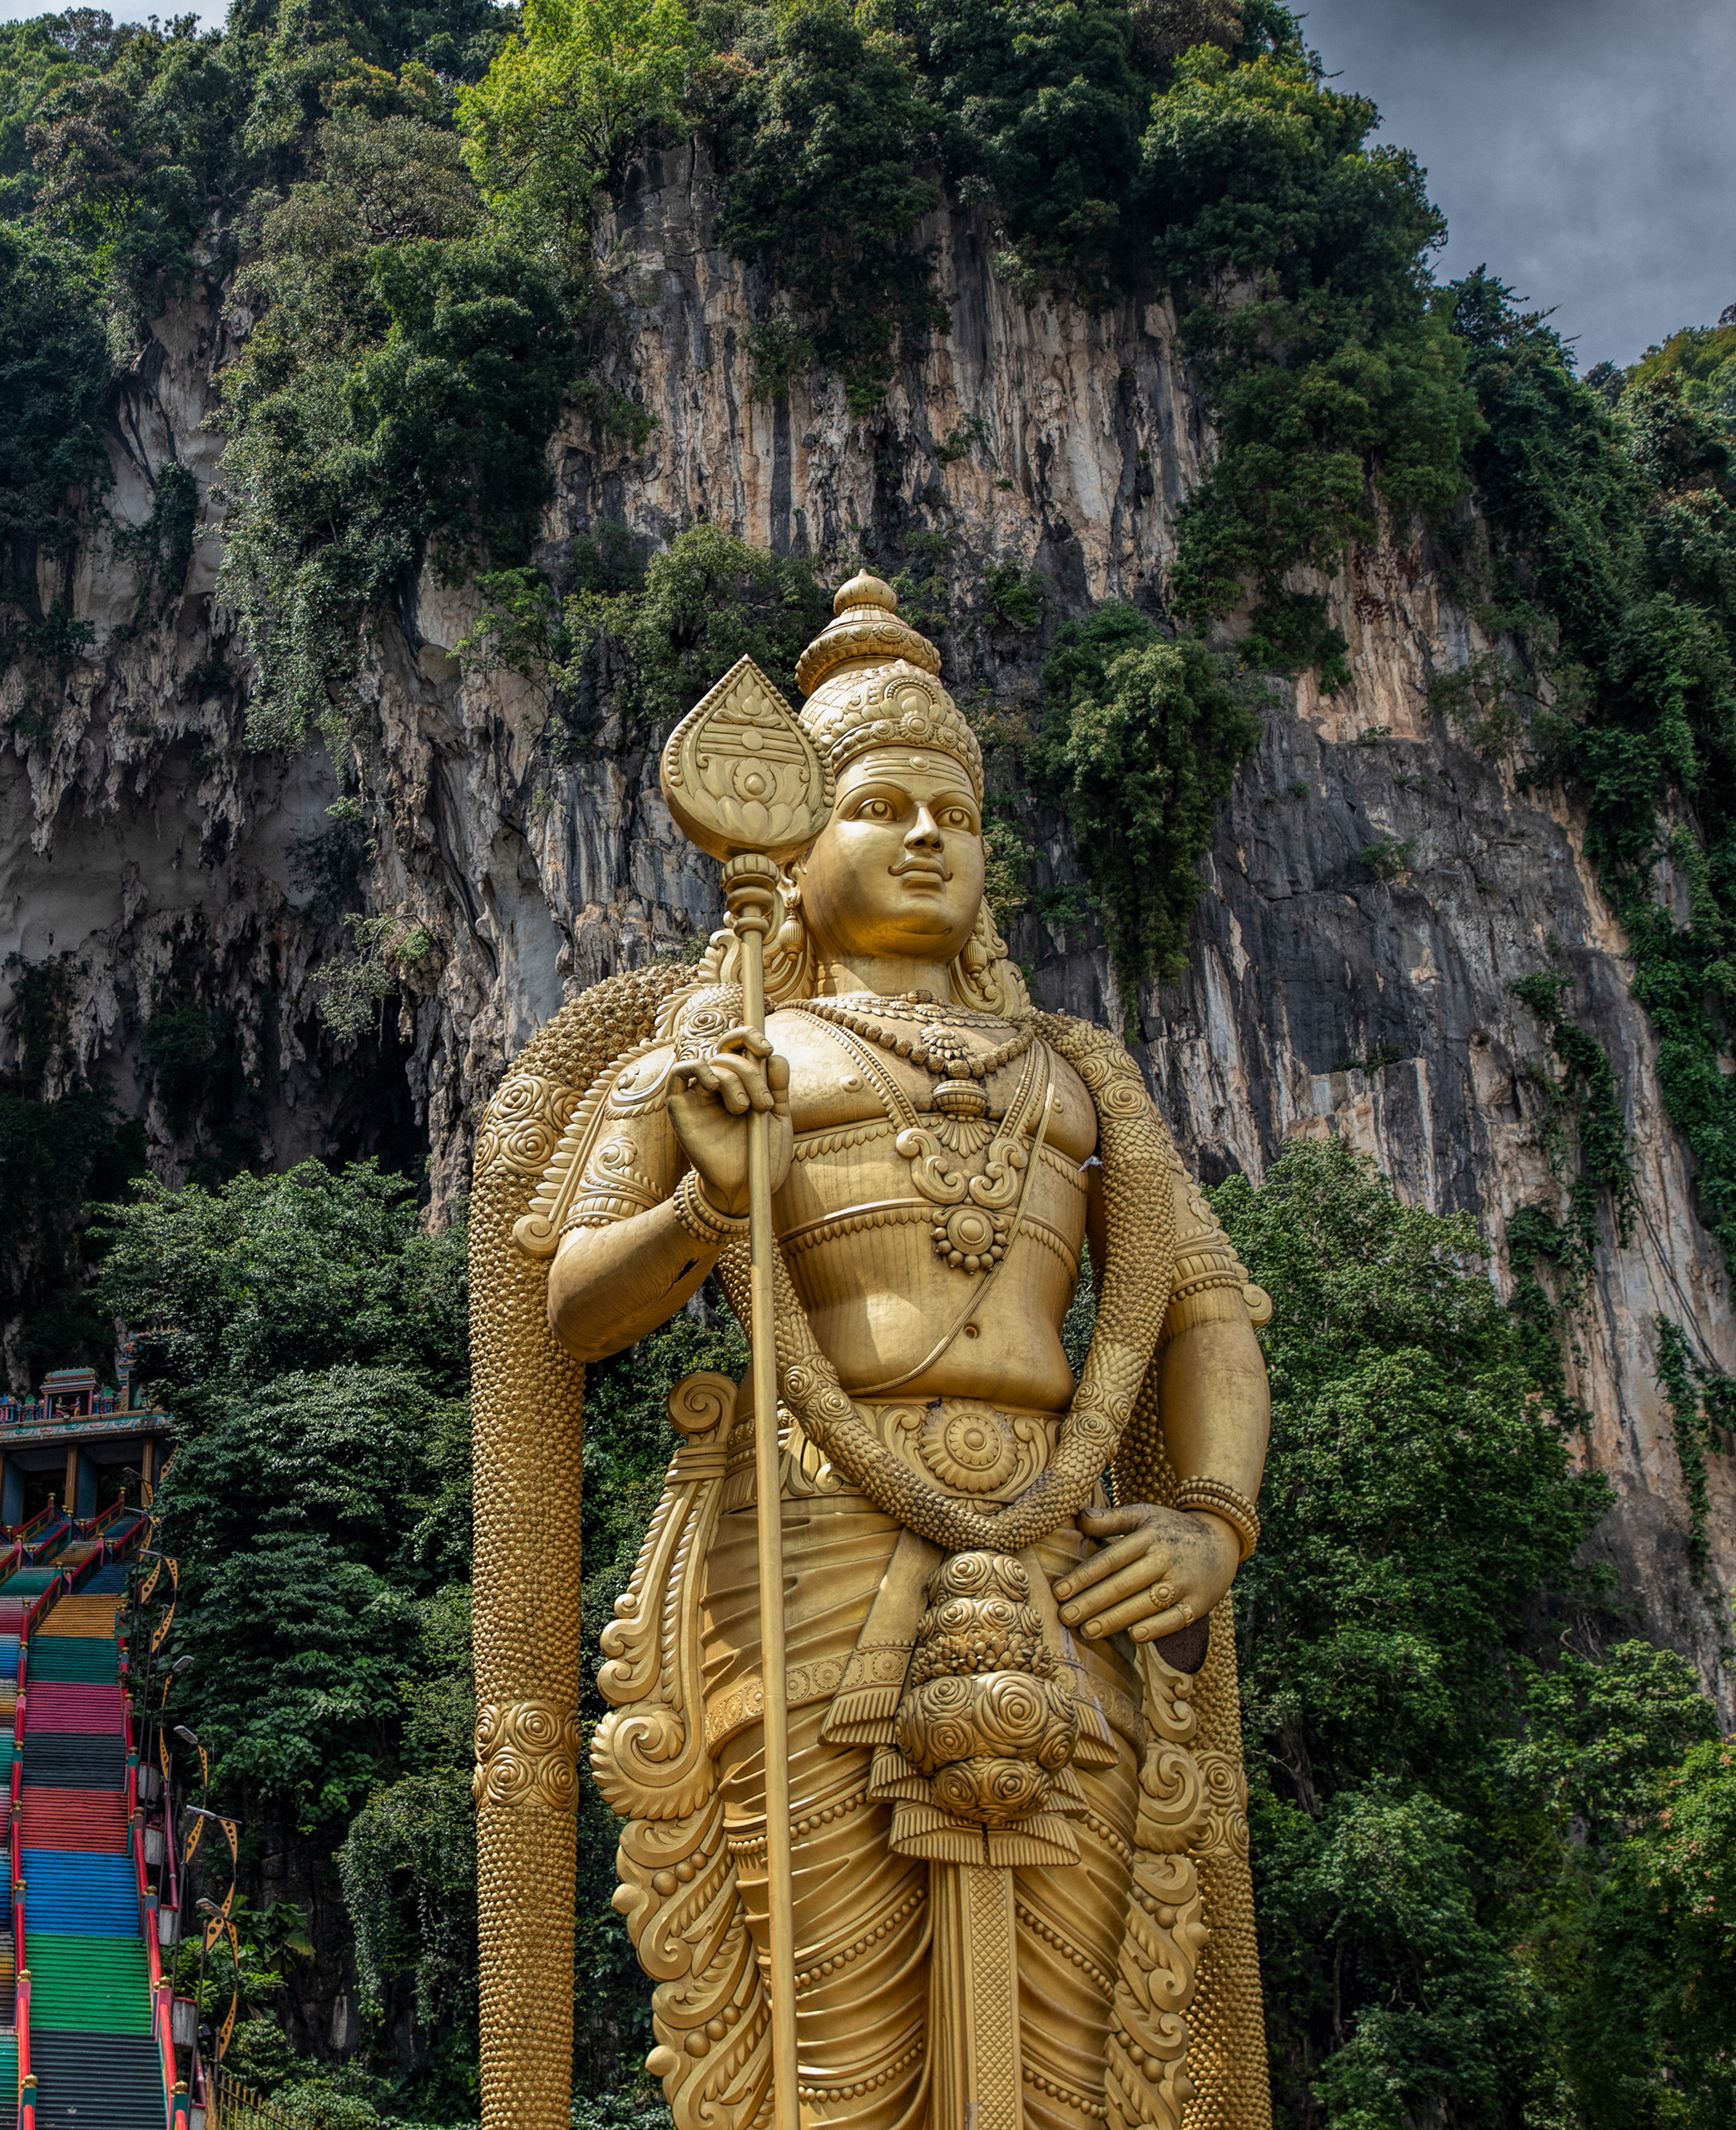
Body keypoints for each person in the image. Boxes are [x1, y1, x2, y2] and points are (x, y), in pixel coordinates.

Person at [469, 574, 1275, 2130]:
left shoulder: (1083, 1074)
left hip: (1062, 1565)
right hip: (809, 1549)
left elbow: (1204, 1313)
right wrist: (710, 1194)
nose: (925, 838)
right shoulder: (718, 1053)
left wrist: (1211, 1514)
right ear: (790, 844)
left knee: (1080, 2050)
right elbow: (573, 1306)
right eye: (882, 806)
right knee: (824, 2060)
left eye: (954, 815)